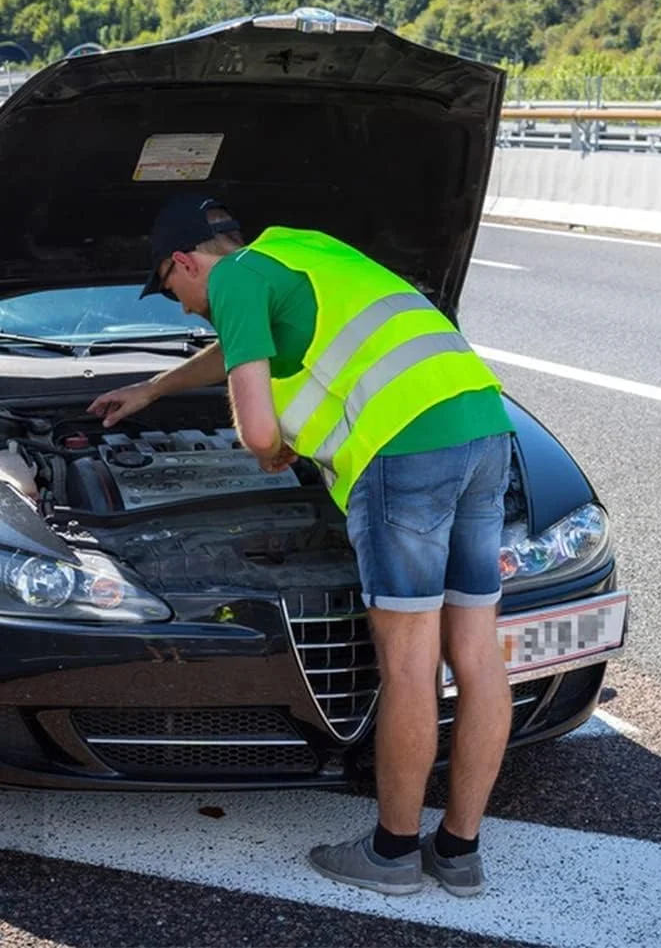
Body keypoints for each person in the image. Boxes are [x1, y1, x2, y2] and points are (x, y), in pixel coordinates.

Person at [87, 194, 516, 897]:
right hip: (482, 425)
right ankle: (459, 853)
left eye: (172, 290)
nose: (184, 309)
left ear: (187, 262)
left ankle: (391, 854)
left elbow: (258, 433)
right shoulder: (301, 246)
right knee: (474, 650)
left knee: (408, 665)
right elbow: (243, 344)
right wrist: (153, 389)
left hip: (402, 451)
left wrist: (276, 445)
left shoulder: (232, 279)